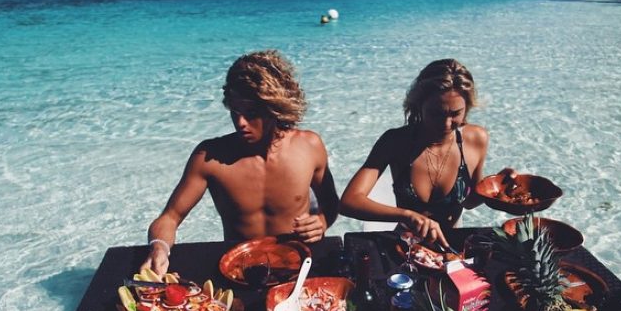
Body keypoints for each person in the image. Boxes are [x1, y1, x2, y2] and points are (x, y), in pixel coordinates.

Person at [142, 50, 339, 275]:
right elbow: (170, 217)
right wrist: (159, 247)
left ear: (276, 108)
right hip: (240, 270)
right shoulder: (210, 158)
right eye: (234, 112)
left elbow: (331, 204)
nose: (241, 123)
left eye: (251, 112)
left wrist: (321, 222)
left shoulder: (309, 146)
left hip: (298, 265)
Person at [340, 58, 508, 246]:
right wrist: (407, 216)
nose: (446, 124)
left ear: (467, 107)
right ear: (419, 105)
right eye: (436, 113)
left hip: (453, 246)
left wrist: (498, 185)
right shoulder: (395, 141)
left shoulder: (476, 139)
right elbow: (349, 202)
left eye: (455, 114)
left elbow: (469, 202)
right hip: (407, 246)